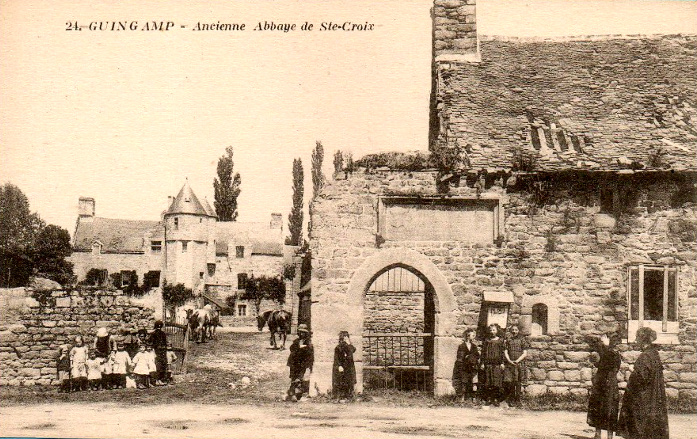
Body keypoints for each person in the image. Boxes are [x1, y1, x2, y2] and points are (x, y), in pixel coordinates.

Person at [618, 327, 669, 439]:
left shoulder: (645, 356)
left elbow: (642, 377)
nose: (636, 342)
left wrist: (632, 369)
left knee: (639, 424)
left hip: (644, 397)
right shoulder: (654, 354)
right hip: (653, 396)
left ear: (643, 341)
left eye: (638, 339)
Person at [587, 333, 621, 439]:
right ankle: (598, 434)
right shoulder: (605, 352)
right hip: (602, 381)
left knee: (609, 408)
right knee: (598, 406)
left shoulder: (614, 353)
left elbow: (609, 363)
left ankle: (609, 436)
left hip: (609, 383)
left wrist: (605, 347)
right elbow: (598, 363)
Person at [286, 323, 314, 401]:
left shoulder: (308, 342)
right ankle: (292, 393)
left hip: (302, 363)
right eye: (300, 332)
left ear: (306, 333)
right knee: (293, 377)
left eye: (303, 332)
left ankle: (297, 392)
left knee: (300, 377)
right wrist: (298, 347)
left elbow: (309, 352)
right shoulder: (296, 341)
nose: (302, 334)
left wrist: (309, 364)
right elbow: (291, 348)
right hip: (294, 362)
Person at [480, 323, 505, 407]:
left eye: (494, 330)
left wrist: (502, 363)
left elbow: (502, 353)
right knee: (488, 381)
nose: (492, 332)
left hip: (497, 364)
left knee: (496, 382)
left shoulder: (500, 341)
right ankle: (489, 398)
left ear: (497, 331)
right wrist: (483, 363)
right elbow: (483, 352)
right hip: (488, 364)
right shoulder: (487, 340)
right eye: (490, 330)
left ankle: (496, 399)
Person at [504, 325, 529, 407]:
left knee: (518, 382)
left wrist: (517, 361)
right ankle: (511, 399)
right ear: (510, 331)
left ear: (518, 331)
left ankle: (518, 400)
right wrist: (509, 361)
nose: (514, 331)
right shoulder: (508, 340)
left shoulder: (522, 339)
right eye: (512, 330)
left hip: (519, 363)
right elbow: (505, 351)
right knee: (510, 382)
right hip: (510, 363)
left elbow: (525, 353)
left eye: (516, 330)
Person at [455, 328, 480, 402]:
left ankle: (474, 397)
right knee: (464, 382)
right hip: (465, 367)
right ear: (467, 336)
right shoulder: (462, 346)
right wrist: (465, 358)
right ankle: (462, 397)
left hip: (473, 366)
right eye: (472, 335)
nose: (473, 337)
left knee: (474, 382)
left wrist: (474, 358)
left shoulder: (474, 346)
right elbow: (460, 357)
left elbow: (477, 355)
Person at [332, 331, 356, 400]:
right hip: (341, 366)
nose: (344, 341)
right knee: (341, 380)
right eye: (342, 339)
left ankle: (348, 395)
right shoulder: (338, 348)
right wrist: (339, 365)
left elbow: (353, 350)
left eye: (346, 339)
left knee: (349, 380)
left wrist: (349, 344)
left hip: (349, 366)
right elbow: (336, 358)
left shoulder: (349, 347)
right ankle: (340, 396)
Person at [148, 320, 168, 385]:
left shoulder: (159, 334)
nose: (159, 328)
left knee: (161, 364)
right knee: (159, 365)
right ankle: (158, 379)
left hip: (160, 351)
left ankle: (159, 379)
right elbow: (151, 343)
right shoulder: (156, 334)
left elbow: (164, 343)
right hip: (158, 351)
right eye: (158, 327)